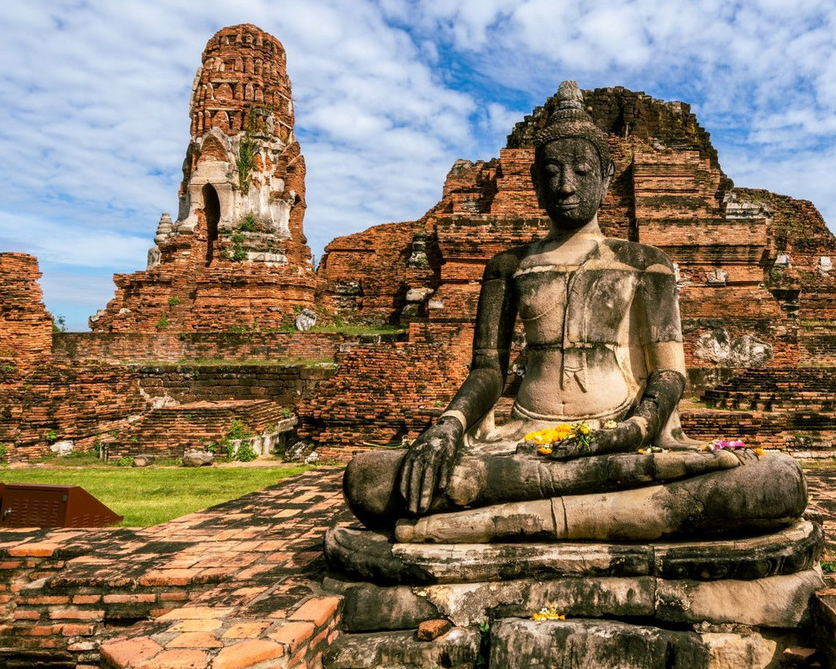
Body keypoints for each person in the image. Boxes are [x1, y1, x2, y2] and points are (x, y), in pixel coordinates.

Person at [342, 82, 806, 544]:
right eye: (552, 172)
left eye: (582, 171)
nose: (566, 186)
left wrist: (632, 430)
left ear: (605, 178)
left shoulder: (645, 264)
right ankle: (618, 518)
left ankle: (495, 525)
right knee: (371, 481)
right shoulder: (508, 266)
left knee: (775, 482)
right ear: (536, 184)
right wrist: (448, 427)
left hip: (622, 436)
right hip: (524, 440)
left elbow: (669, 375)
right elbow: (488, 370)